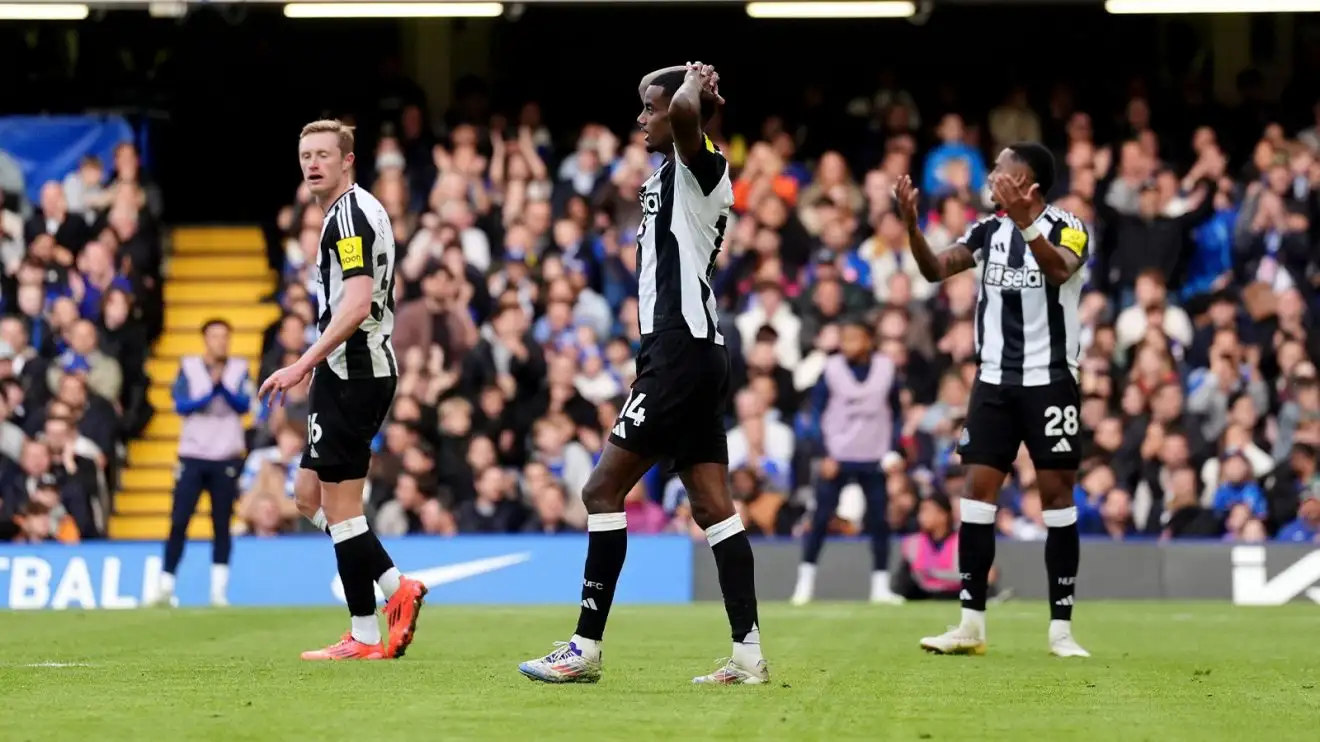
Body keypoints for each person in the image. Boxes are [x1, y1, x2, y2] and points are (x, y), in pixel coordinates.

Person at [518, 62, 768, 686]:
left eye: (649, 108)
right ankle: (748, 655)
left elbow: (687, 115)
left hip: (680, 352)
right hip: (691, 350)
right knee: (714, 506)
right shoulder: (670, 173)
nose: (641, 118)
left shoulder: (700, 163)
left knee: (601, 490)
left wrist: (691, 82)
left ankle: (584, 646)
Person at [895, 141, 1091, 658]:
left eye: (1002, 167)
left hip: (1050, 379)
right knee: (976, 496)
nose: (992, 173)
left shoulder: (1069, 227)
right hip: (994, 382)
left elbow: (1060, 271)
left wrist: (1028, 223)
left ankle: (1061, 631)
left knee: (1056, 498)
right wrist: (912, 228)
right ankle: (970, 625)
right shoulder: (987, 231)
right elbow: (936, 269)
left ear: (1028, 183)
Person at [260, 119, 426, 661]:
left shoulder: (348, 217)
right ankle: (383, 603)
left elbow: (355, 304)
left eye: (323, 155)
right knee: (309, 497)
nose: (312, 164)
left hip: (351, 373)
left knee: (343, 508)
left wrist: (301, 363)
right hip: (349, 372)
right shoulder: (356, 208)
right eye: (305, 154)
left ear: (347, 160)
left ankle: (376, 615)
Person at [790, 317, 904, 605]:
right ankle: (805, 583)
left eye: (854, 337)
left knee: (879, 520)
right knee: (820, 518)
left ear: (869, 340)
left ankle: (880, 586)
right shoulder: (831, 369)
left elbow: (896, 412)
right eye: (844, 338)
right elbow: (815, 413)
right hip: (837, 455)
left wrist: (893, 449)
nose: (847, 344)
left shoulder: (886, 369)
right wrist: (823, 453)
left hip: (874, 455)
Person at [148, 319, 250, 607]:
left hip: (226, 456)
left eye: (224, 337)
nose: (220, 342)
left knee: (221, 524)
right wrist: (212, 393)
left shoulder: (239, 368)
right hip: (192, 455)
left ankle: (218, 592)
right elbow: (181, 405)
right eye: (214, 336)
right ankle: (165, 586)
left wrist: (221, 390)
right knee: (179, 521)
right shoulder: (189, 366)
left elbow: (244, 404)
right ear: (204, 339)